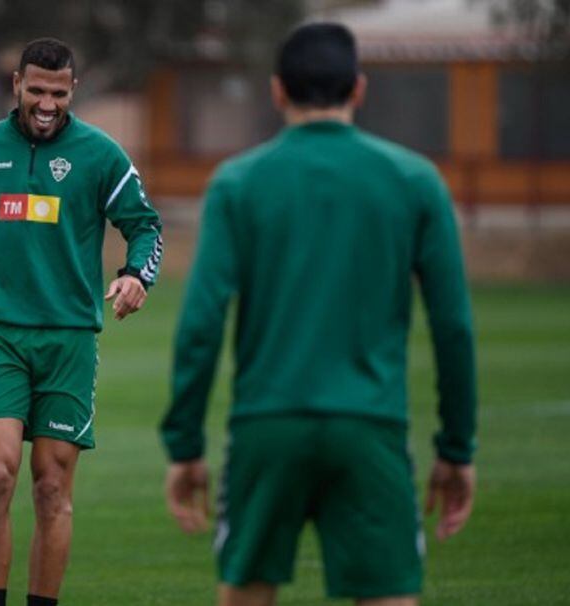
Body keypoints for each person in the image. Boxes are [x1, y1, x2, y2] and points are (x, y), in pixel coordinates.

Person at [161, 23, 478, 606]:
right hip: (370, 426)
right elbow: (453, 326)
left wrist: (184, 445)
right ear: (359, 89)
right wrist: (457, 449)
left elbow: (202, 321)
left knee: (246, 591)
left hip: (266, 425)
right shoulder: (415, 181)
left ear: (277, 91)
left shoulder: (238, 182)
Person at [0, 38, 164, 606]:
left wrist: (137, 274)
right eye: (35, 90)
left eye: (57, 93)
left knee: (51, 486)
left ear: (73, 92)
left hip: (68, 340)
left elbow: (145, 226)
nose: (46, 103)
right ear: (16, 84)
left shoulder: (101, 155)